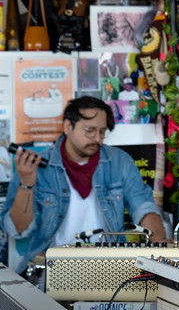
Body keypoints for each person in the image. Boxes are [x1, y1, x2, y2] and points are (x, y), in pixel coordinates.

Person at [0, 96, 165, 271]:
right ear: (67, 127)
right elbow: (17, 230)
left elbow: (143, 206)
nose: (97, 139)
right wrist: (26, 183)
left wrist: (160, 246)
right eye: (89, 130)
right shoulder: (38, 166)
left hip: (109, 267)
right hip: (50, 270)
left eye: (102, 132)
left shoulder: (119, 161)